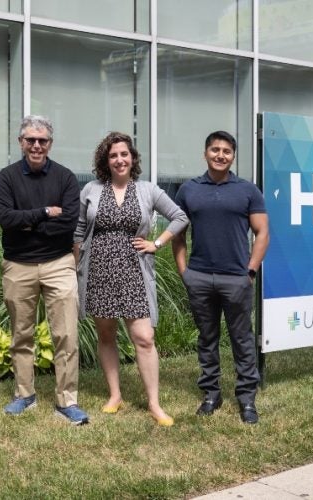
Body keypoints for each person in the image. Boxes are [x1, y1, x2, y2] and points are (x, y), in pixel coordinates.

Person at [74, 132, 189, 427]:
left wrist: (156, 244)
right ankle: (115, 395)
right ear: (106, 160)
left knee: (144, 338)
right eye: (113, 155)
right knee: (106, 335)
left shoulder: (148, 190)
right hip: (98, 270)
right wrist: (77, 268)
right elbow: (78, 232)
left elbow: (179, 217)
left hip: (134, 272)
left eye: (124, 154)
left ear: (132, 158)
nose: (119, 159)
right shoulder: (91, 189)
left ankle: (154, 403)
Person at [0, 115, 89, 425]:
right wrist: (45, 212)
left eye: (42, 140)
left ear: (50, 143)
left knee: (66, 334)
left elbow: (68, 224)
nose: (36, 145)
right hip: (18, 265)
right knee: (21, 335)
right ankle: (24, 395)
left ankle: (67, 401)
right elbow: (6, 219)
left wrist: (29, 223)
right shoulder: (7, 177)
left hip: (59, 263)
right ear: (21, 142)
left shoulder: (65, 178)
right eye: (30, 140)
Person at [172, 130, 269, 424]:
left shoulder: (248, 190)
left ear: (233, 156)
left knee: (242, 339)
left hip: (236, 279)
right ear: (205, 153)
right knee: (207, 339)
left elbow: (262, 232)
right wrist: (184, 271)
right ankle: (211, 393)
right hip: (199, 277)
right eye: (215, 150)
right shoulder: (189, 190)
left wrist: (250, 270)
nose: (220, 155)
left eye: (227, 151)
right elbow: (178, 231)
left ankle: (247, 399)